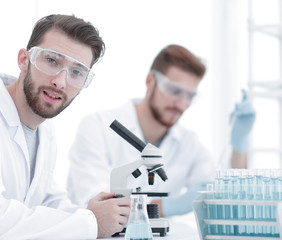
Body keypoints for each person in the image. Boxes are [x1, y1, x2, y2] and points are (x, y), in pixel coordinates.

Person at [0, 14, 130, 239]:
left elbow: (46, 200)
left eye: (77, 72)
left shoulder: (44, 128)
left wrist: (94, 214)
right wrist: (89, 223)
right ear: (23, 60)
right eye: (51, 61)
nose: (60, 81)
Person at [66, 44, 255, 217]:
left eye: (190, 96)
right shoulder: (98, 127)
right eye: (175, 91)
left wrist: (239, 143)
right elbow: (99, 205)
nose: (182, 104)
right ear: (150, 81)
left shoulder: (188, 142)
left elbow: (226, 191)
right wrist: (167, 206)